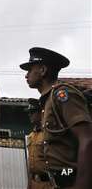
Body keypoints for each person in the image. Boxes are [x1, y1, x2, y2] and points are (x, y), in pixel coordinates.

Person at [20, 47, 92, 189]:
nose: (26, 75)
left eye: (29, 70)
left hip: (69, 181)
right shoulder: (48, 101)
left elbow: (88, 139)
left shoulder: (62, 94)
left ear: (42, 70)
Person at [25, 98, 50, 189]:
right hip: (34, 183)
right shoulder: (31, 135)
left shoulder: (48, 134)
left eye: (32, 112)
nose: (29, 115)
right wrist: (29, 184)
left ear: (41, 113)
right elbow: (31, 163)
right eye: (29, 112)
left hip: (48, 183)